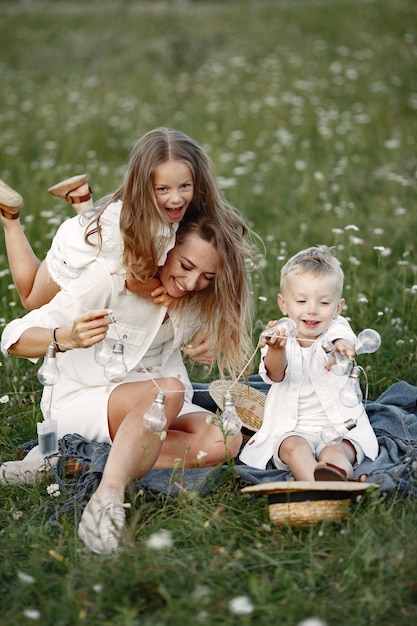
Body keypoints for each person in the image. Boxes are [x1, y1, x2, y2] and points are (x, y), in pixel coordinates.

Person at [1, 210, 255, 554]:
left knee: (224, 439)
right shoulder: (107, 280)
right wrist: (66, 337)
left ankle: (72, 459)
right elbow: (13, 337)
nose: (192, 282)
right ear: (165, 249)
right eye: (185, 266)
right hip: (86, 401)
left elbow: (213, 320)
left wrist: (209, 336)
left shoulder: (191, 299)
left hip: (155, 406)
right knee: (169, 391)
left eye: (206, 276)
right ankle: (107, 499)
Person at [239, 245, 378, 481]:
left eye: (324, 303)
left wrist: (342, 347)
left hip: (339, 427)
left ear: (337, 308)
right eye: (301, 301)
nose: (312, 310)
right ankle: (322, 485)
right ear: (284, 304)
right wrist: (275, 349)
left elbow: (343, 337)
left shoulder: (336, 328)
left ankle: (336, 476)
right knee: (292, 448)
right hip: (292, 429)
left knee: (336, 450)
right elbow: (274, 374)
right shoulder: (281, 333)